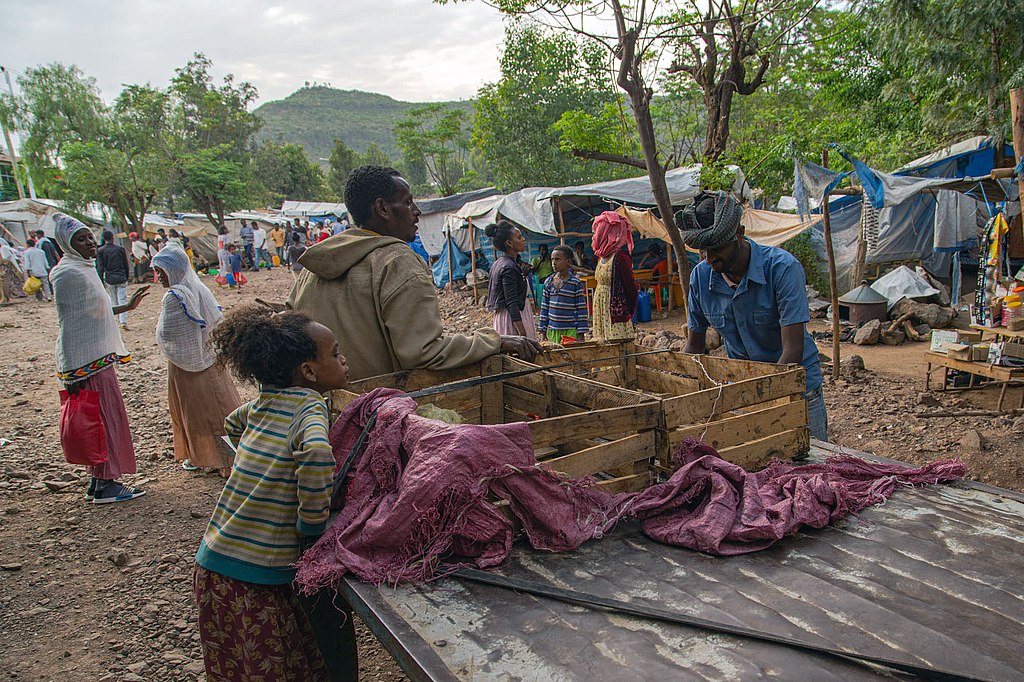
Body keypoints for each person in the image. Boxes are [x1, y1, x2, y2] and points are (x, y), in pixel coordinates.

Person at [194, 306, 352, 682]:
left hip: (215, 561)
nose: (343, 360)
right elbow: (315, 455)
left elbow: (233, 426)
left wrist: (265, 469)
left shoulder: (265, 401)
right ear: (308, 372)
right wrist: (310, 524)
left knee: (243, 664)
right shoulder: (309, 408)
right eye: (335, 354)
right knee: (276, 662)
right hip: (254, 574)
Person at [287, 165, 540, 381]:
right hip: (377, 413)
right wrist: (493, 341)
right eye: (408, 202)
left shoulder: (315, 265)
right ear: (383, 208)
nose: (417, 210)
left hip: (322, 411)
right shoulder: (397, 261)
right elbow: (423, 351)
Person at [678, 191, 828, 441]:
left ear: (740, 233)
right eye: (704, 250)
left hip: (795, 391)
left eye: (717, 248)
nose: (709, 257)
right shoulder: (701, 278)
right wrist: (679, 388)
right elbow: (694, 345)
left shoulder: (782, 269)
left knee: (810, 467)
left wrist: (762, 401)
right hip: (741, 392)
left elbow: (792, 352)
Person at [49, 214, 149, 504]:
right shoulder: (68, 274)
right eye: (81, 239)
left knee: (101, 418)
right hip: (84, 362)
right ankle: (106, 483)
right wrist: (74, 371)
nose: (91, 242)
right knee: (101, 420)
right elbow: (72, 323)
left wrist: (127, 306)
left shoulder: (82, 269)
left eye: (89, 236)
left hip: (93, 359)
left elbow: (94, 312)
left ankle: (99, 479)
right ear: (67, 244)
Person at [151, 245, 241, 477]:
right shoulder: (199, 288)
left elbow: (168, 334)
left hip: (187, 367)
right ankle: (230, 458)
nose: (159, 277)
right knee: (221, 410)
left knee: (197, 415)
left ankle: (210, 458)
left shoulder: (175, 296)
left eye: (162, 272)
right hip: (211, 360)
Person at [486, 220, 538, 341]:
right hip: (513, 320)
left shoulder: (501, 263)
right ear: (509, 243)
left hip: (512, 316)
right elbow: (511, 303)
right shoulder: (508, 268)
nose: (523, 239)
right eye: (519, 237)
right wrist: (522, 334)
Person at [589, 211, 637, 342]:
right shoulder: (601, 256)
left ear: (607, 233)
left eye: (598, 231)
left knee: (617, 343)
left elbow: (630, 288)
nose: (595, 236)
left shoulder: (620, 258)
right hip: (601, 306)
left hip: (614, 310)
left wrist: (628, 312)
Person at [538, 245, 590, 344]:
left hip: (570, 330)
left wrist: (581, 333)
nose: (554, 263)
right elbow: (544, 308)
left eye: (558, 260)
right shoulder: (548, 282)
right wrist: (542, 331)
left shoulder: (575, 283)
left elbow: (581, 309)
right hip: (553, 329)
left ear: (568, 262)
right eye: (552, 259)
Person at [96, 230, 132, 329]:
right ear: (113, 238)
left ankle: (115, 321)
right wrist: (127, 276)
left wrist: (100, 280)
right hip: (121, 277)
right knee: (123, 299)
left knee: (114, 300)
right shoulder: (120, 249)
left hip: (110, 278)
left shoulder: (100, 251)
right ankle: (123, 321)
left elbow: (100, 267)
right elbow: (126, 264)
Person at [0, 237, 26, 303]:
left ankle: (9, 296)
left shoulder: (3, 249)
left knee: (9, 282)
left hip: (8, 268)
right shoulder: (6, 248)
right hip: (11, 267)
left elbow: (5, 258)